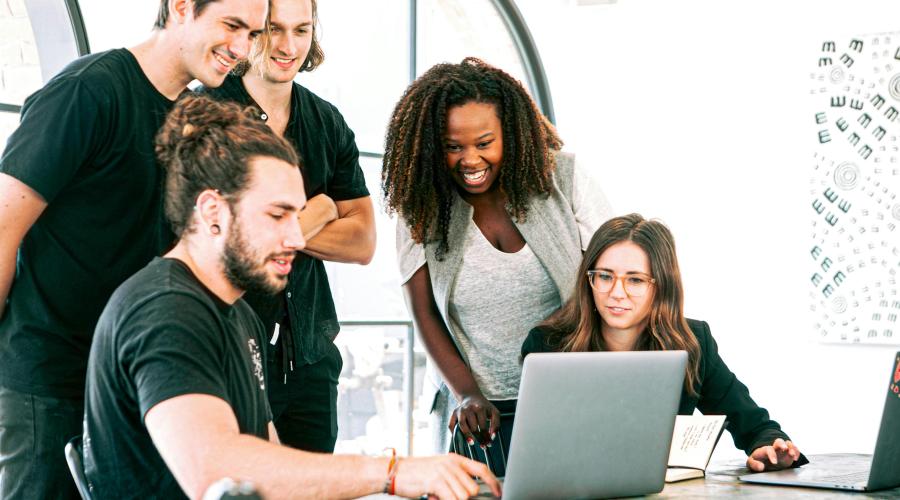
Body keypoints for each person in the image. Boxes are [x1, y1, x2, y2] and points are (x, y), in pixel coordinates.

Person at [82, 94, 500, 500]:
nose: (297, 237)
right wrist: (393, 473)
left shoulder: (238, 315)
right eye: (278, 215)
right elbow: (219, 474)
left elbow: (274, 466)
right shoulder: (165, 312)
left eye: (297, 215)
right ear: (212, 212)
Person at [0, 0, 266, 496]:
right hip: (51, 381)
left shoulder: (194, 119)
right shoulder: (88, 91)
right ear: (181, 8)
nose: (242, 48)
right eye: (232, 26)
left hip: (135, 383)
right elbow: (2, 227)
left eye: (253, 33)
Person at [382, 57, 613, 454]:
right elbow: (424, 313)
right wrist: (467, 394)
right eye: (453, 147)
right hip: (476, 413)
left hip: (569, 395)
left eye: (484, 143)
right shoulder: (420, 204)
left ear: (512, 133)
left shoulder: (565, 179)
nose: (470, 160)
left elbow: (612, 280)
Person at [201, 0, 375, 453]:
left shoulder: (328, 123)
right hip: (227, 355)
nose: (288, 45)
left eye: (302, 30)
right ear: (248, 31)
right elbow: (220, 237)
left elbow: (362, 242)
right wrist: (319, 210)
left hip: (310, 360)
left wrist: (275, 227)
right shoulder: (203, 113)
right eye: (273, 29)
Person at [521, 214, 808, 472]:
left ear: (661, 286)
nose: (616, 293)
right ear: (589, 281)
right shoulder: (548, 345)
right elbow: (535, 448)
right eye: (605, 276)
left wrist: (769, 447)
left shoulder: (693, 343)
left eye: (635, 280)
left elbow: (754, 424)